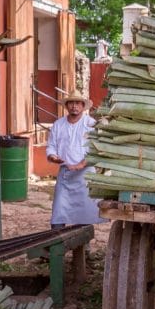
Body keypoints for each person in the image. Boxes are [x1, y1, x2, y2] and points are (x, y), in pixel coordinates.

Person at [47, 91, 106, 228]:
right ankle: (58, 244)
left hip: (85, 175)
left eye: (78, 103)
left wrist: (82, 164)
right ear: (67, 106)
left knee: (84, 215)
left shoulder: (90, 124)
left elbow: (97, 148)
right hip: (65, 173)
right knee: (58, 214)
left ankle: (83, 247)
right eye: (71, 103)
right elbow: (51, 146)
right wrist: (52, 156)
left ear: (83, 106)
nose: (74, 106)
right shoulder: (58, 124)